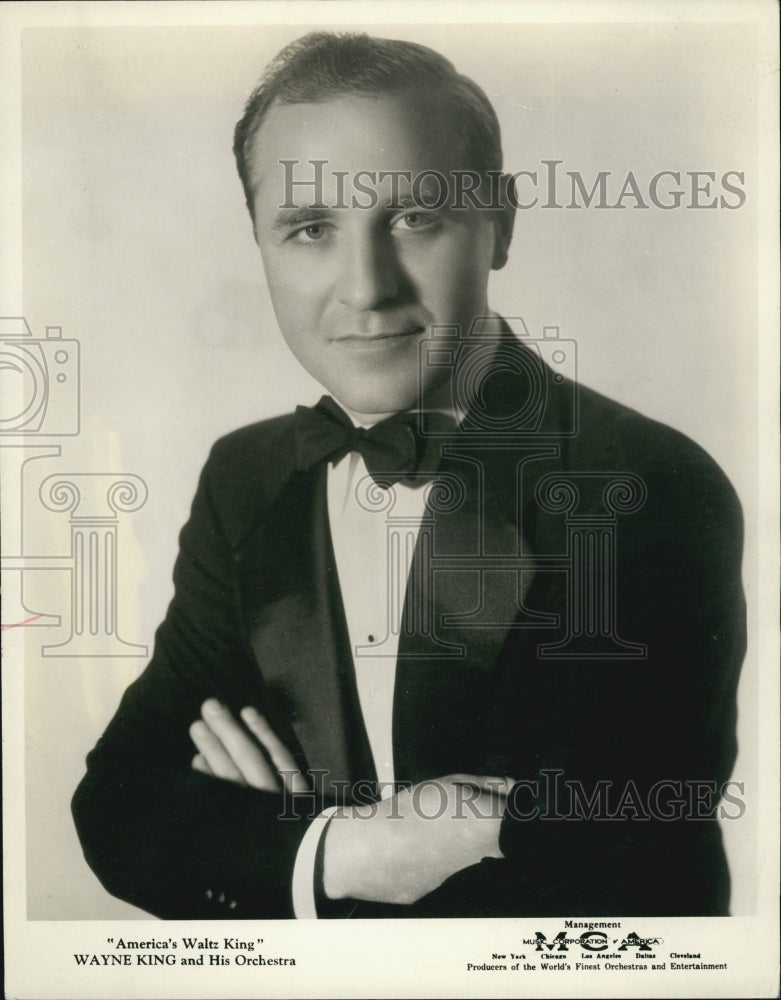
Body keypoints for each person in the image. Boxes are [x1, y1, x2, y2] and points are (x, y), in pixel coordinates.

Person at [72, 31, 745, 919]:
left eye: (414, 218)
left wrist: (265, 834)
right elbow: (120, 803)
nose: (365, 288)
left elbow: (609, 854)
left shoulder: (646, 485)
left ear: (498, 224)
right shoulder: (245, 476)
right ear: (260, 246)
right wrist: (343, 851)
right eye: (311, 229)